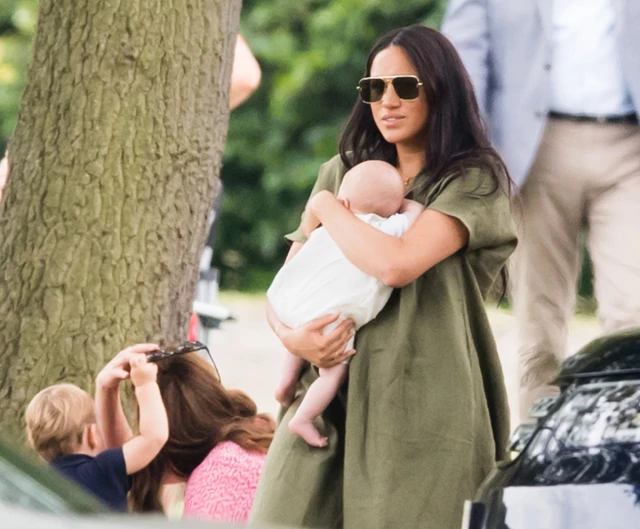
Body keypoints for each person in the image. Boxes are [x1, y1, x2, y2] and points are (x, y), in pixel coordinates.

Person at [249, 25, 517, 529]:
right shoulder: (342, 171)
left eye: (405, 87)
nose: (387, 101)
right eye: (375, 87)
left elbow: (396, 264)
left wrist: (328, 208)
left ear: (441, 91)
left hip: (422, 406)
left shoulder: (471, 180)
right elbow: (289, 283)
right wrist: (293, 337)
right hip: (328, 394)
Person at [442, 0, 640, 423]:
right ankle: (538, 436)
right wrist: (470, 145)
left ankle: (625, 439)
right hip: (533, 146)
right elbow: (462, 54)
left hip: (630, 145)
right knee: (539, 318)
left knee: (632, 313)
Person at [268, 160, 423, 447]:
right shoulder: (387, 229)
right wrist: (404, 204)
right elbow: (416, 213)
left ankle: (285, 383)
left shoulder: (328, 225)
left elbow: (307, 234)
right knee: (333, 372)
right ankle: (304, 418)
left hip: (292, 301)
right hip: (332, 317)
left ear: (344, 200)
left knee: (300, 329)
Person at [107, 352, 275, 523]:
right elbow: (127, 461)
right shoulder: (244, 447)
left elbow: (132, 460)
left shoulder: (219, 478)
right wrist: (107, 390)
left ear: (168, 439)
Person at [24, 344, 168, 511]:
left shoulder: (33, 485)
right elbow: (154, 437)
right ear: (91, 434)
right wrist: (145, 384)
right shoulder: (103, 469)